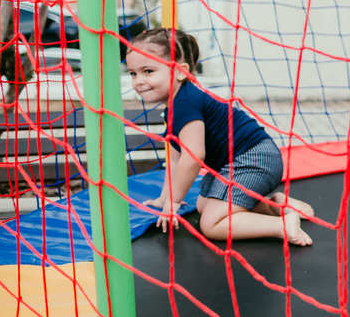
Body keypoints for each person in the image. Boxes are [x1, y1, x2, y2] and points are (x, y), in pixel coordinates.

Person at [125, 28, 313, 246]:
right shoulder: (175, 106)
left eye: (148, 71)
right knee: (204, 204)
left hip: (254, 159)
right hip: (238, 161)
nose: (138, 81)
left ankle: (281, 226)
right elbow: (176, 159)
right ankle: (275, 206)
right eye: (133, 73)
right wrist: (163, 199)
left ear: (180, 71)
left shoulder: (186, 103)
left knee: (212, 224)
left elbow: (193, 156)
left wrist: (174, 202)